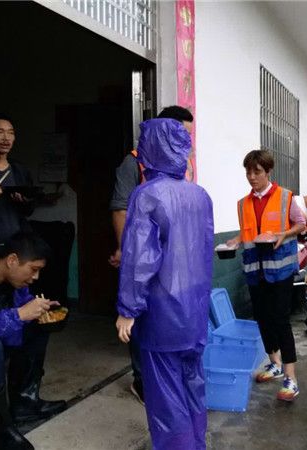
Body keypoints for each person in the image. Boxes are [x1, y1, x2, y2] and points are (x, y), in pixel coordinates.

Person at [115, 118, 213, 450]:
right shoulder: (200, 195)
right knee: (193, 389)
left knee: (166, 400)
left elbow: (139, 260)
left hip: (162, 316)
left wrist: (128, 309)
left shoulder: (147, 195)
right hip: (194, 313)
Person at [108, 105, 193, 404]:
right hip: (143, 254)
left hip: (172, 259)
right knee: (140, 314)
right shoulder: (134, 163)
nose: (186, 141)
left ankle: (166, 376)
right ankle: (142, 379)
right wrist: (124, 249)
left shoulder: (181, 167)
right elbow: (120, 208)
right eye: (181, 133)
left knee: (164, 316)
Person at [226, 150, 305, 401]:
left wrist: (285, 234)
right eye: (248, 172)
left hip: (280, 271)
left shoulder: (286, 197)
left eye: (257, 172)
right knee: (262, 318)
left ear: (268, 171)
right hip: (254, 271)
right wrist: (236, 240)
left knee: (280, 320)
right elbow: (249, 231)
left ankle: (291, 379)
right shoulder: (243, 204)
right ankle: (275, 362)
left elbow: (301, 224)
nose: (252, 177)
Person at [0, 232, 66, 450]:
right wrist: (20, 315)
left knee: (36, 327)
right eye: (33, 269)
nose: (36, 277)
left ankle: (24, 403)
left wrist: (38, 310)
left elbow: (18, 307)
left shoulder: (12, 279)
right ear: (12, 260)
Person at [0, 114, 35, 247]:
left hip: (16, 244)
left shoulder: (20, 170)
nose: (6, 138)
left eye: (11, 133)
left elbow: (29, 210)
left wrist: (23, 201)